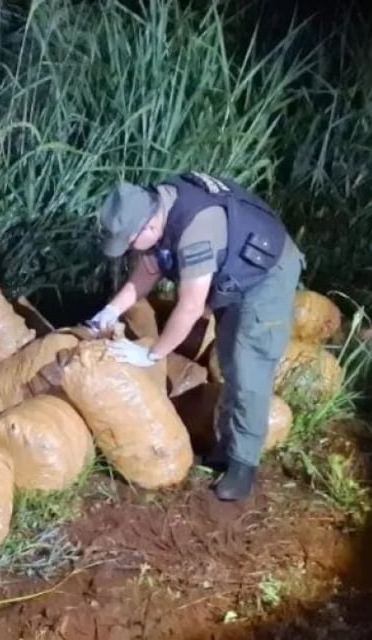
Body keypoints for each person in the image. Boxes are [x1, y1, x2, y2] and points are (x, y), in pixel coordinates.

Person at [86, 172, 304, 501]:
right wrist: (110, 312)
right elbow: (147, 270)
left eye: (129, 243)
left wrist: (151, 355)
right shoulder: (157, 208)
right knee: (231, 362)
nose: (130, 251)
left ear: (148, 227)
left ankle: (243, 466)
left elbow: (189, 308)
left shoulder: (195, 232)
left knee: (249, 367)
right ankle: (227, 447)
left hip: (266, 275)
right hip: (236, 269)